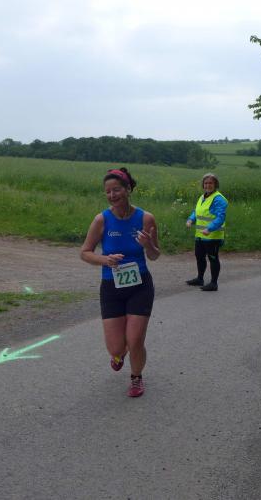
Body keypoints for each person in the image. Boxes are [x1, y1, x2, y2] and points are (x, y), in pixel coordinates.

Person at [80, 167, 160, 398]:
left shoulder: (146, 218)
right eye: (108, 192)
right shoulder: (101, 220)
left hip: (140, 286)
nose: (112, 195)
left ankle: (136, 377)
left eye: (116, 190)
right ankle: (119, 354)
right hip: (111, 287)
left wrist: (148, 245)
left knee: (135, 340)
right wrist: (105, 260)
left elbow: (155, 255)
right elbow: (85, 252)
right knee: (116, 348)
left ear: (128, 189)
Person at [185, 172, 228, 292]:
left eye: (211, 183)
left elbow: (220, 217)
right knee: (199, 256)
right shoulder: (202, 197)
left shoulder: (219, 199)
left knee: (213, 258)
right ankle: (200, 279)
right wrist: (190, 219)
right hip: (200, 235)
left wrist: (209, 228)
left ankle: (214, 283)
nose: (208, 185)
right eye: (206, 183)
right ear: (203, 185)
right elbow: (197, 211)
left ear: (215, 184)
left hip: (213, 235)